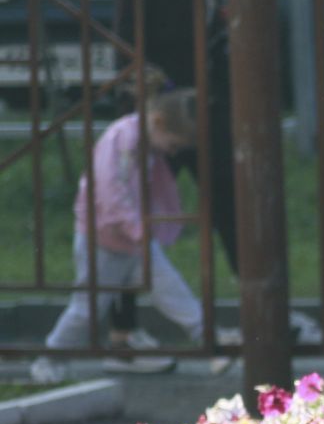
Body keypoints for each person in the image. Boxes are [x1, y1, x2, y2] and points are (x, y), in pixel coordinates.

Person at [109, 0, 231, 370]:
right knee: (133, 214)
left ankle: (262, 309)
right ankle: (122, 329)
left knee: (228, 197)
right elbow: (127, 30)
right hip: (161, 104)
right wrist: (148, 91)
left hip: (204, 99)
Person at [30, 72, 207, 384]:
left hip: (133, 237)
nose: (173, 151)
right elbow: (110, 192)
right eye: (174, 144)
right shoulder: (122, 138)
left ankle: (208, 338)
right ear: (160, 122)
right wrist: (140, 230)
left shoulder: (144, 142)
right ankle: (50, 357)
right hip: (105, 239)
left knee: (171, 288)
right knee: (87, 309)